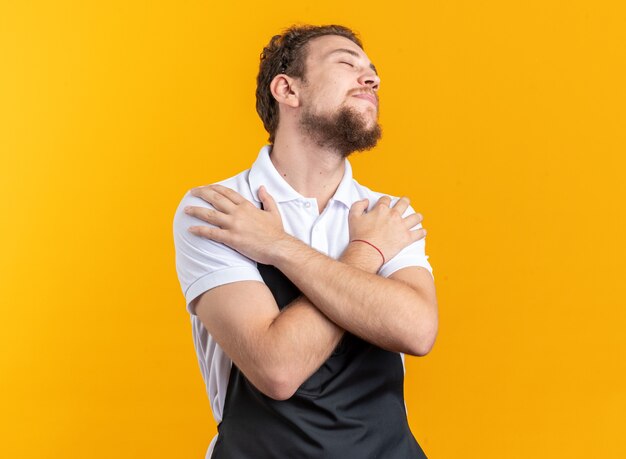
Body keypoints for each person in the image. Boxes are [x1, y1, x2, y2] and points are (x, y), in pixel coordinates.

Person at [173, 24, 438, 459]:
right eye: (346, 64)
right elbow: (277, 367)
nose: (370, 79)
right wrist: (367, 255)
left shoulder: (385, 214)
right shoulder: (219, 208)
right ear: (287, 90)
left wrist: (276, 246)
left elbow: (417, 330)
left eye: (372, 72)